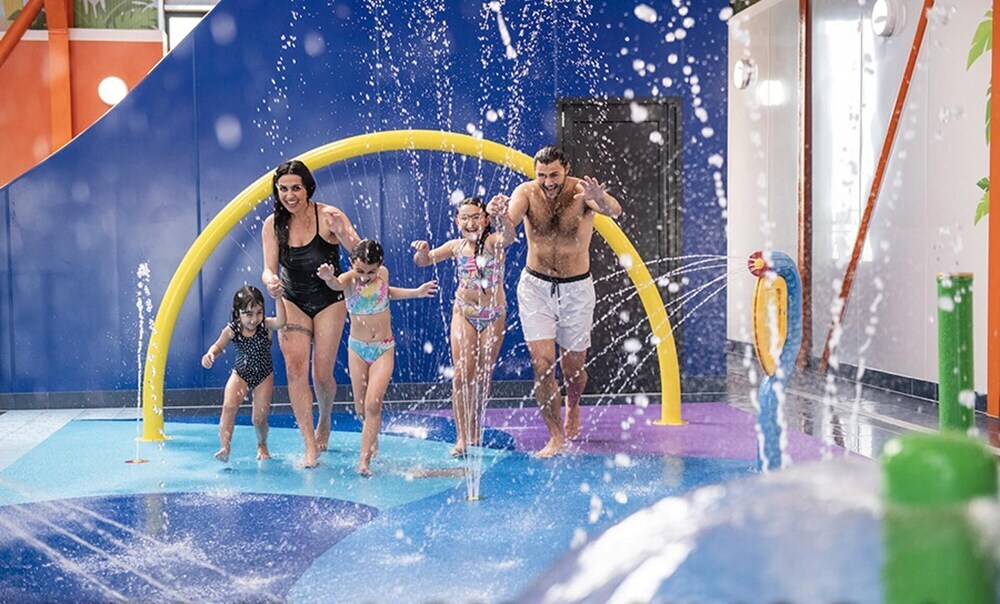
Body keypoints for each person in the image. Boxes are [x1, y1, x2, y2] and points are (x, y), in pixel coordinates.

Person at [488, 146, 622, 457]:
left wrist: (600, 198)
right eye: (542, 175)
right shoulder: (525, 192)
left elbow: (615, 210)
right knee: (543, 364)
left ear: (566, 169)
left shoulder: (581, 192)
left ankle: (573, 403)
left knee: (573, 370)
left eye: (554, 175)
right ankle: (555, 436)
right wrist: (499, 218)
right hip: (536, 287)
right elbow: (507, 237)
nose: (548, 182)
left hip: (576, 290)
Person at [262, 159, 361, 468]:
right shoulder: (273, 225)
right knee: (294, 370)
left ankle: (325, 418)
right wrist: (270, 281)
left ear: (308, 189)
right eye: (283, 189)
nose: (289, 195)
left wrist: (344, 233)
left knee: (321, 374)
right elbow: (268, 268)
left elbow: (361, 256)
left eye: (295, 188)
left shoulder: (329, 216)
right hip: (292, 300)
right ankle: (309, 445)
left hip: (329, 299)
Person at [318, 239, 439, 476]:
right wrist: (328, 278)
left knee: (373, 403)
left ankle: (364, 460)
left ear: (379, 265)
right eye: (361, 270)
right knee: (361, 408)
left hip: (383, 348)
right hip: (358, 350)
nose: (365, 277)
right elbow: (335, 284)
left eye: (370, 272)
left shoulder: (383, 274)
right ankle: (371, 436)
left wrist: (416, 292)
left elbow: (387, 294)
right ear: (352, 263)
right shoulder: (348, 279)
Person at [411, 196, 515, 456]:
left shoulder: (492, 242)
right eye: (465, 218)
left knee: (482, 375)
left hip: (493, 314)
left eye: (476, 217)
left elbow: (509, 237)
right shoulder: (455, 247)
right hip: (464, 312)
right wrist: (422, 251)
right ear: (457, 222)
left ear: (486, 220)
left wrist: (503, 217)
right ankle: (461, 436)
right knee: (461, 375)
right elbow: (423, 261)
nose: (471, 223)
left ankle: (475, 424)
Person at [201, 285, 286, 463]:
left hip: (263, 375)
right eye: (248, 314)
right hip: (240, 373)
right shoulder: (232, 330)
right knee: (229, 406)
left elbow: (281, 322)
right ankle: (225, 447)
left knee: (259, 419)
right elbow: (218, 346)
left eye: (258, 312)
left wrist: (278, 297)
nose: (254, 319)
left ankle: (262, 444)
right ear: (237, 313)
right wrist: (210, 354)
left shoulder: (266, 325)